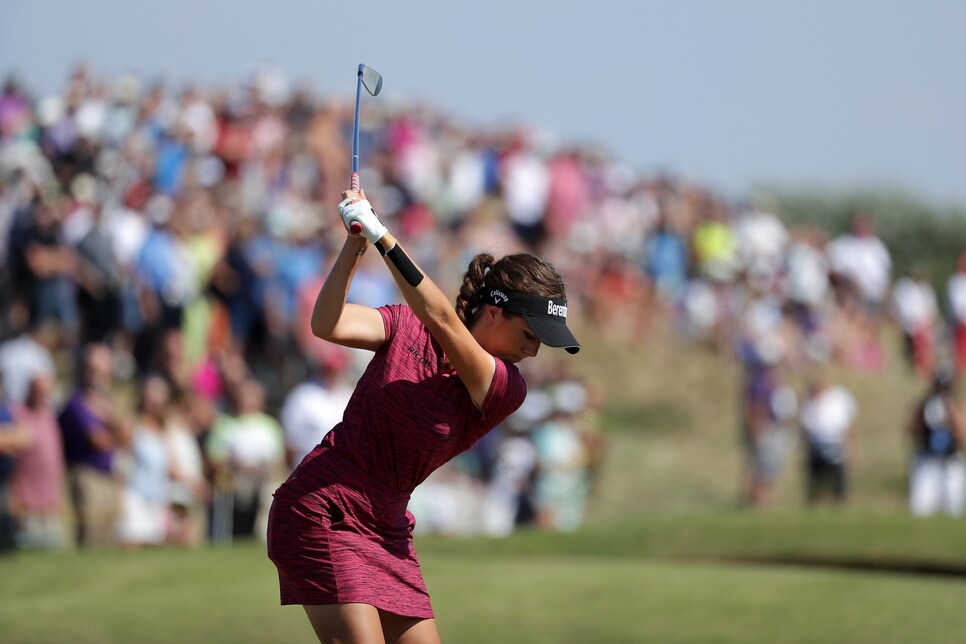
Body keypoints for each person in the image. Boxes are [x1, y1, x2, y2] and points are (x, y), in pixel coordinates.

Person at [267, 187, 579, 643]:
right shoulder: (405, 325)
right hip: (323, 507)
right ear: (493, 313)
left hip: (388, 526)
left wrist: (382, 235)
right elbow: (327, 324)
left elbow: (444, 321)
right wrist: (356, 245)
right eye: (529, 335)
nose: (533, 352)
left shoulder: (505, 387)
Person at [907, 368, 965, 517]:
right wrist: (922, 417)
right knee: (921, 506)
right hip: (927, 459)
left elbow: (961, 432)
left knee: (954, 506)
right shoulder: (925, 404)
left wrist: (950, 417)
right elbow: (911, 430)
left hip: (950, 459)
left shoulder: (954, 405)